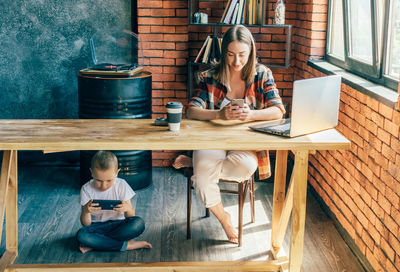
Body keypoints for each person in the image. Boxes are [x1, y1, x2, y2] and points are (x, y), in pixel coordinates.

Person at [180, 25, 286, 244]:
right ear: (223, 53)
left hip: (244, 143)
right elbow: (191, 110)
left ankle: (195, 164)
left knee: (244, 168)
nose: (236, 62)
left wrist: (252, 115)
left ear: (251, 53)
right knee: (201, 181)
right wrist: (219, 113)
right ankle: (225, 220)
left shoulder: (262, 74)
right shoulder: (210, 76)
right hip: (212, 141)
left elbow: (278, 110)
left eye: (242, 55)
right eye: (230, 55)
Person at [76, 151, 152, 253]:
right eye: (98, 180)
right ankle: (127, 245)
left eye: (109, 180)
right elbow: (86, 224)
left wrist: (127, 209)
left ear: (116, 173)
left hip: (119, 225)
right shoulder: (86, 189)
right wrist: (85, 211)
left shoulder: (122, 185)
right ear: (91, 172)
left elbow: (131, 217)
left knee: (138, 223)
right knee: (81, 235)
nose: (103, 186)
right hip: (97, 227)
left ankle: (97, 244)